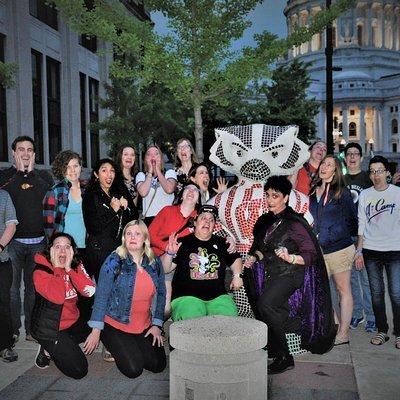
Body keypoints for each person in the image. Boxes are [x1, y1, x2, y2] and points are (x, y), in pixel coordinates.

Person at [244, 176, 335, 375]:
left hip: (291, 274)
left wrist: (290, 258)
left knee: (265, 305)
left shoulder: (295, 223)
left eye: (275, 196)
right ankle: (282, 344)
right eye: (267, 195)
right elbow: (264, 249)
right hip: (272, 275)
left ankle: (285, 357)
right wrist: (254, 257)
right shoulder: (266, 220)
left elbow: (310, 255)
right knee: (276, 312)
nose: (270, 199)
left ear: (285, 197)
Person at [84, 220, 167, 378]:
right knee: (133, 370)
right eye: (128, 233)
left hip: (143, 324)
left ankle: (129, 347)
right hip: (115, 323)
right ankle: (109, 341)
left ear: (145, 238)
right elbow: (101, 295)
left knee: (158, 365)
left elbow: (161, 294)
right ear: (124, 238)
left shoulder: (154, 262)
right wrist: (95, 329)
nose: (133, 237)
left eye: (137, 234)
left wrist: (157, 324)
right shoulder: (114, 260)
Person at [0, 136, 53, 342]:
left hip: (38, 242)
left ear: (34, 154)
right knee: (12, 290)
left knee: (33, 289)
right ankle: (14, 330)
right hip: (12, 244)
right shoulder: (5, 176)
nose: (25, 153)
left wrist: (29, 173)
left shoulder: (43, 177)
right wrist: (20, 173)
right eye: (21, 149)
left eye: (29, 150)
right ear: (13, 152)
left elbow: (46, 194)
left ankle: (31, 330)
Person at [31, 233, 95, 379]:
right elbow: (57, 298)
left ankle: (61, 346)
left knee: (101, 325)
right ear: (50, 249)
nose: (62, 251)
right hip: (50, 327)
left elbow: (89, 292)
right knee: (79, 370)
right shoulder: (41, 270)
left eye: (67, 247)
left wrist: (69, 269)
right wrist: (58, 269)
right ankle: (47, 348)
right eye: (58, 246)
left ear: (72, 250)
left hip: (72, 321)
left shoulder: (75, 264)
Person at [162, 204, 243, 321]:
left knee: (228, 319)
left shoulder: (222, 242)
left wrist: (237, 275)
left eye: (211, 220)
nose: (207, 222)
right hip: (187, 297)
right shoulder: (182, 242)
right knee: (192, 318)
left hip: (218, 296)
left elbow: (235, 258)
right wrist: (169, 253)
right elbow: (166, 269)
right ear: (195, 222)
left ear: (214, 225)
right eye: (203, 218)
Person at [309, 155, 357, 346]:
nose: (324, 167)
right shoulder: (313, 192)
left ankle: (343, 334)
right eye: (323, 163)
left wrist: (336, 233)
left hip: (339, 249)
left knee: (342, 290)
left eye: (329, 165)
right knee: (319, 290)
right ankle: (336, 324)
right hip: (319, 250)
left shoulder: (342, 193)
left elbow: (353, 221)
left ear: (335, 171)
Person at [355, 155, 400, 349]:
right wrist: (359, 250)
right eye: (372, 171)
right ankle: (382, 331)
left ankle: (399, 333)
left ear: (387, 173)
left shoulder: (397, 193)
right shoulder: (365, 194)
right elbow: (361, 225)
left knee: (396, 293)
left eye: (379, 171)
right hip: (371, 250)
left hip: (395, 249)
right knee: (376, 293)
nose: (376, 175)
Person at [82, 158, 137, 283]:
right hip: (100, 252)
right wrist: (112, 210)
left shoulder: (119, 192)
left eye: (112, 171)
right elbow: (93, 227)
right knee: (105, 290)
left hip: (119, 249)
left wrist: (126, 208)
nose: (109, 174)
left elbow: (133, 218)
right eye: (104, 170)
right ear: (96, 174)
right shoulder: (90, 196)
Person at [343, 143, 375, 332]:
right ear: (345, 158)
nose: (353, 157)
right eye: (349, 154)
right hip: (347, 236)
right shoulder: (341, 179)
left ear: (361, 158)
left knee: (366, 279)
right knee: (352, 279)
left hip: (366, 236)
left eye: (356, 154)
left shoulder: (368, 179)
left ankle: (371, 316)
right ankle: (357, 313)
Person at [0, 190, 18, 362]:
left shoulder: (4, 196)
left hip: (1, 260)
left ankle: (5, 345)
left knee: (3, 303)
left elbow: (11, 225)